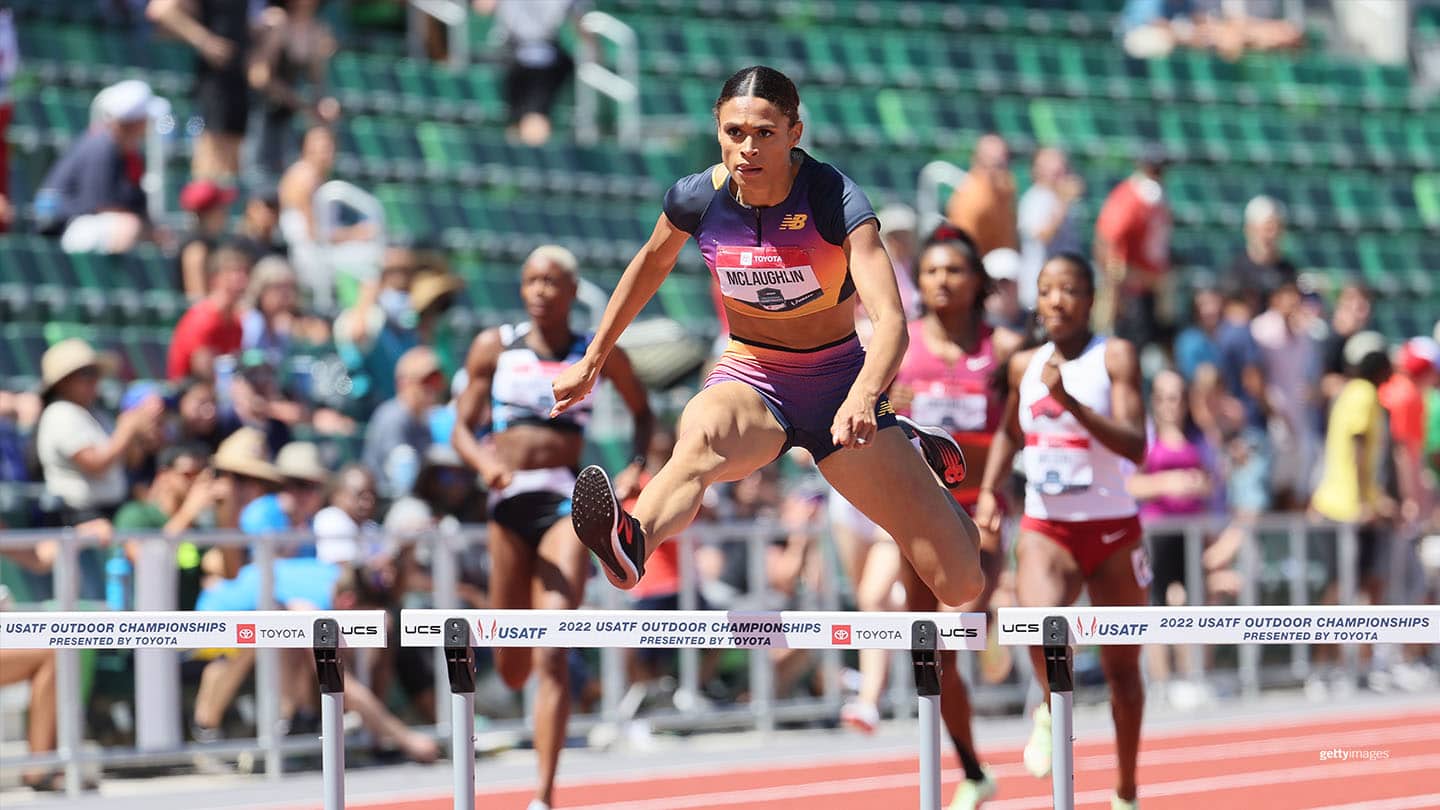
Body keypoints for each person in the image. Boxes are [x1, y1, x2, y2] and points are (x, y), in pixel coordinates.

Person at [550, 66, 985, 614]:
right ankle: (632, 542)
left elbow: (892, 321)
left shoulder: (835, 199)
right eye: (734, 133)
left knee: (961, 584)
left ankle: (917, 456)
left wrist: (863, 396)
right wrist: (593, 358)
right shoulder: (696, 199)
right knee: (700, 435)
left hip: (839, 387)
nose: (747, 149)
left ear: (794, 133)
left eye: (764, 134)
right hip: (752, 376)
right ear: (718, 132)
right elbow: (650, 264)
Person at [452, 244, 654, 810]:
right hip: (508, 502)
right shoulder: (495, 346)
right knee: (514, 664)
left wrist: (636, 467)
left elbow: (643, 411)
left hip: (565, 502)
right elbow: (460, 429)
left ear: (571, 291)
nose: (540, 290)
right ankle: (524, 688)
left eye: (551, 282)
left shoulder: (595, 353)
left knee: (552, 644)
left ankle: (542, 795)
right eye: (531, 281)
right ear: (522, 290)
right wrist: (485, 463)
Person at [974, 253, 1148, 810]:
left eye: (1068, 289)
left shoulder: (1114, 356)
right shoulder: (1025, 364)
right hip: (1049, 528)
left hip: (1114, 532)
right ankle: (1050, 708)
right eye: (1046, 289)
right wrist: (989, 491)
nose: (1055, 300)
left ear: (1089, 298)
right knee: (1039, 632)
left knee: (1123, 673)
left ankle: (1125, 789)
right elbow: (1007, 432)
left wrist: (1069, 400)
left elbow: (1136, 444)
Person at [886, 224, 1025, 809]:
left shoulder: (1007, 350)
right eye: (933, 271)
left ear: (978, 283)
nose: (942, 279)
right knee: (932, 651)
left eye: (955, 270)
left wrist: (1001, 488)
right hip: (918, 510)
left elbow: (1023, 429)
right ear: (919, 281)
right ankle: (971, 768)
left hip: (983, 509)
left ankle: (991, 626)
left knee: (964, 612)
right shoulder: (899, 346)